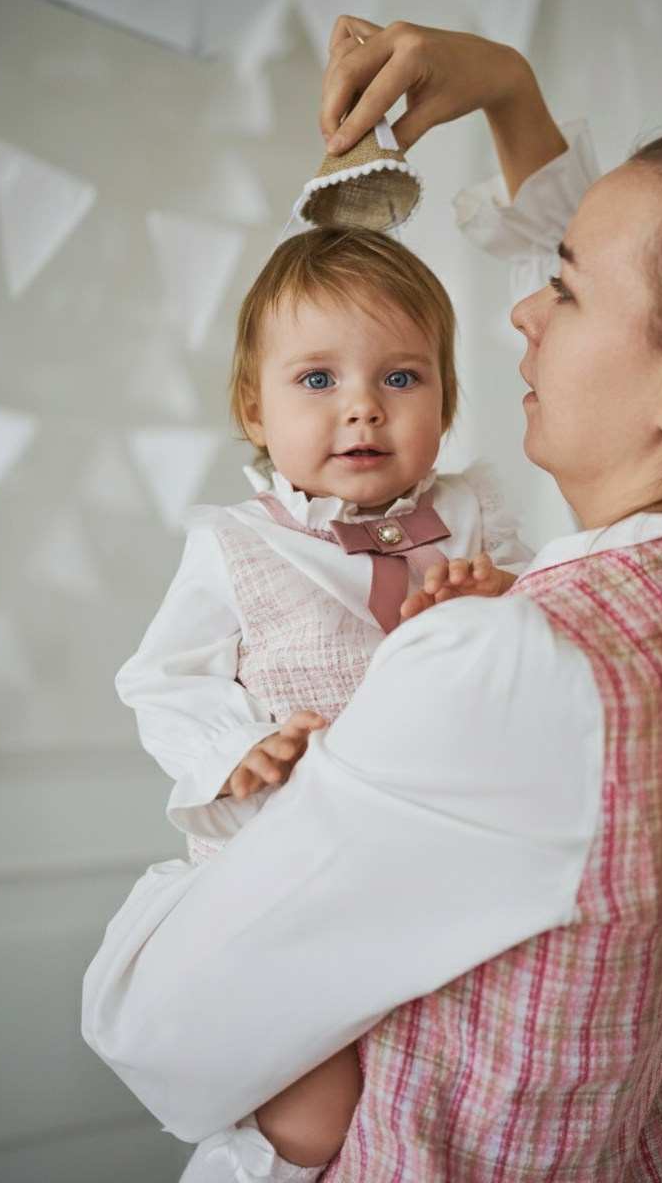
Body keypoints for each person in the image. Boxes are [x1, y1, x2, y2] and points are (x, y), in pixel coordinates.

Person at [83, 19, 662, 1181]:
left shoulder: (510, 661)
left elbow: (151, 1032)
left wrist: (198, 880)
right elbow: (645, 289)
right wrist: (508, 95)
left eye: (559, 289)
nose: (521, 314)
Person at [113, 223, 531, 1181]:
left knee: (432, 1085)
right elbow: (161, 677)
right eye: (317, 381)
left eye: (400, 378)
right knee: (311, 1113)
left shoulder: (471, 513)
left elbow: (542, 626)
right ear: (253, 411)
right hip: (288, 870)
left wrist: (500, 599)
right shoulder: (236, 543)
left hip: (433, 860)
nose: (362, 412)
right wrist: (238, 746)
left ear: (447, 400)